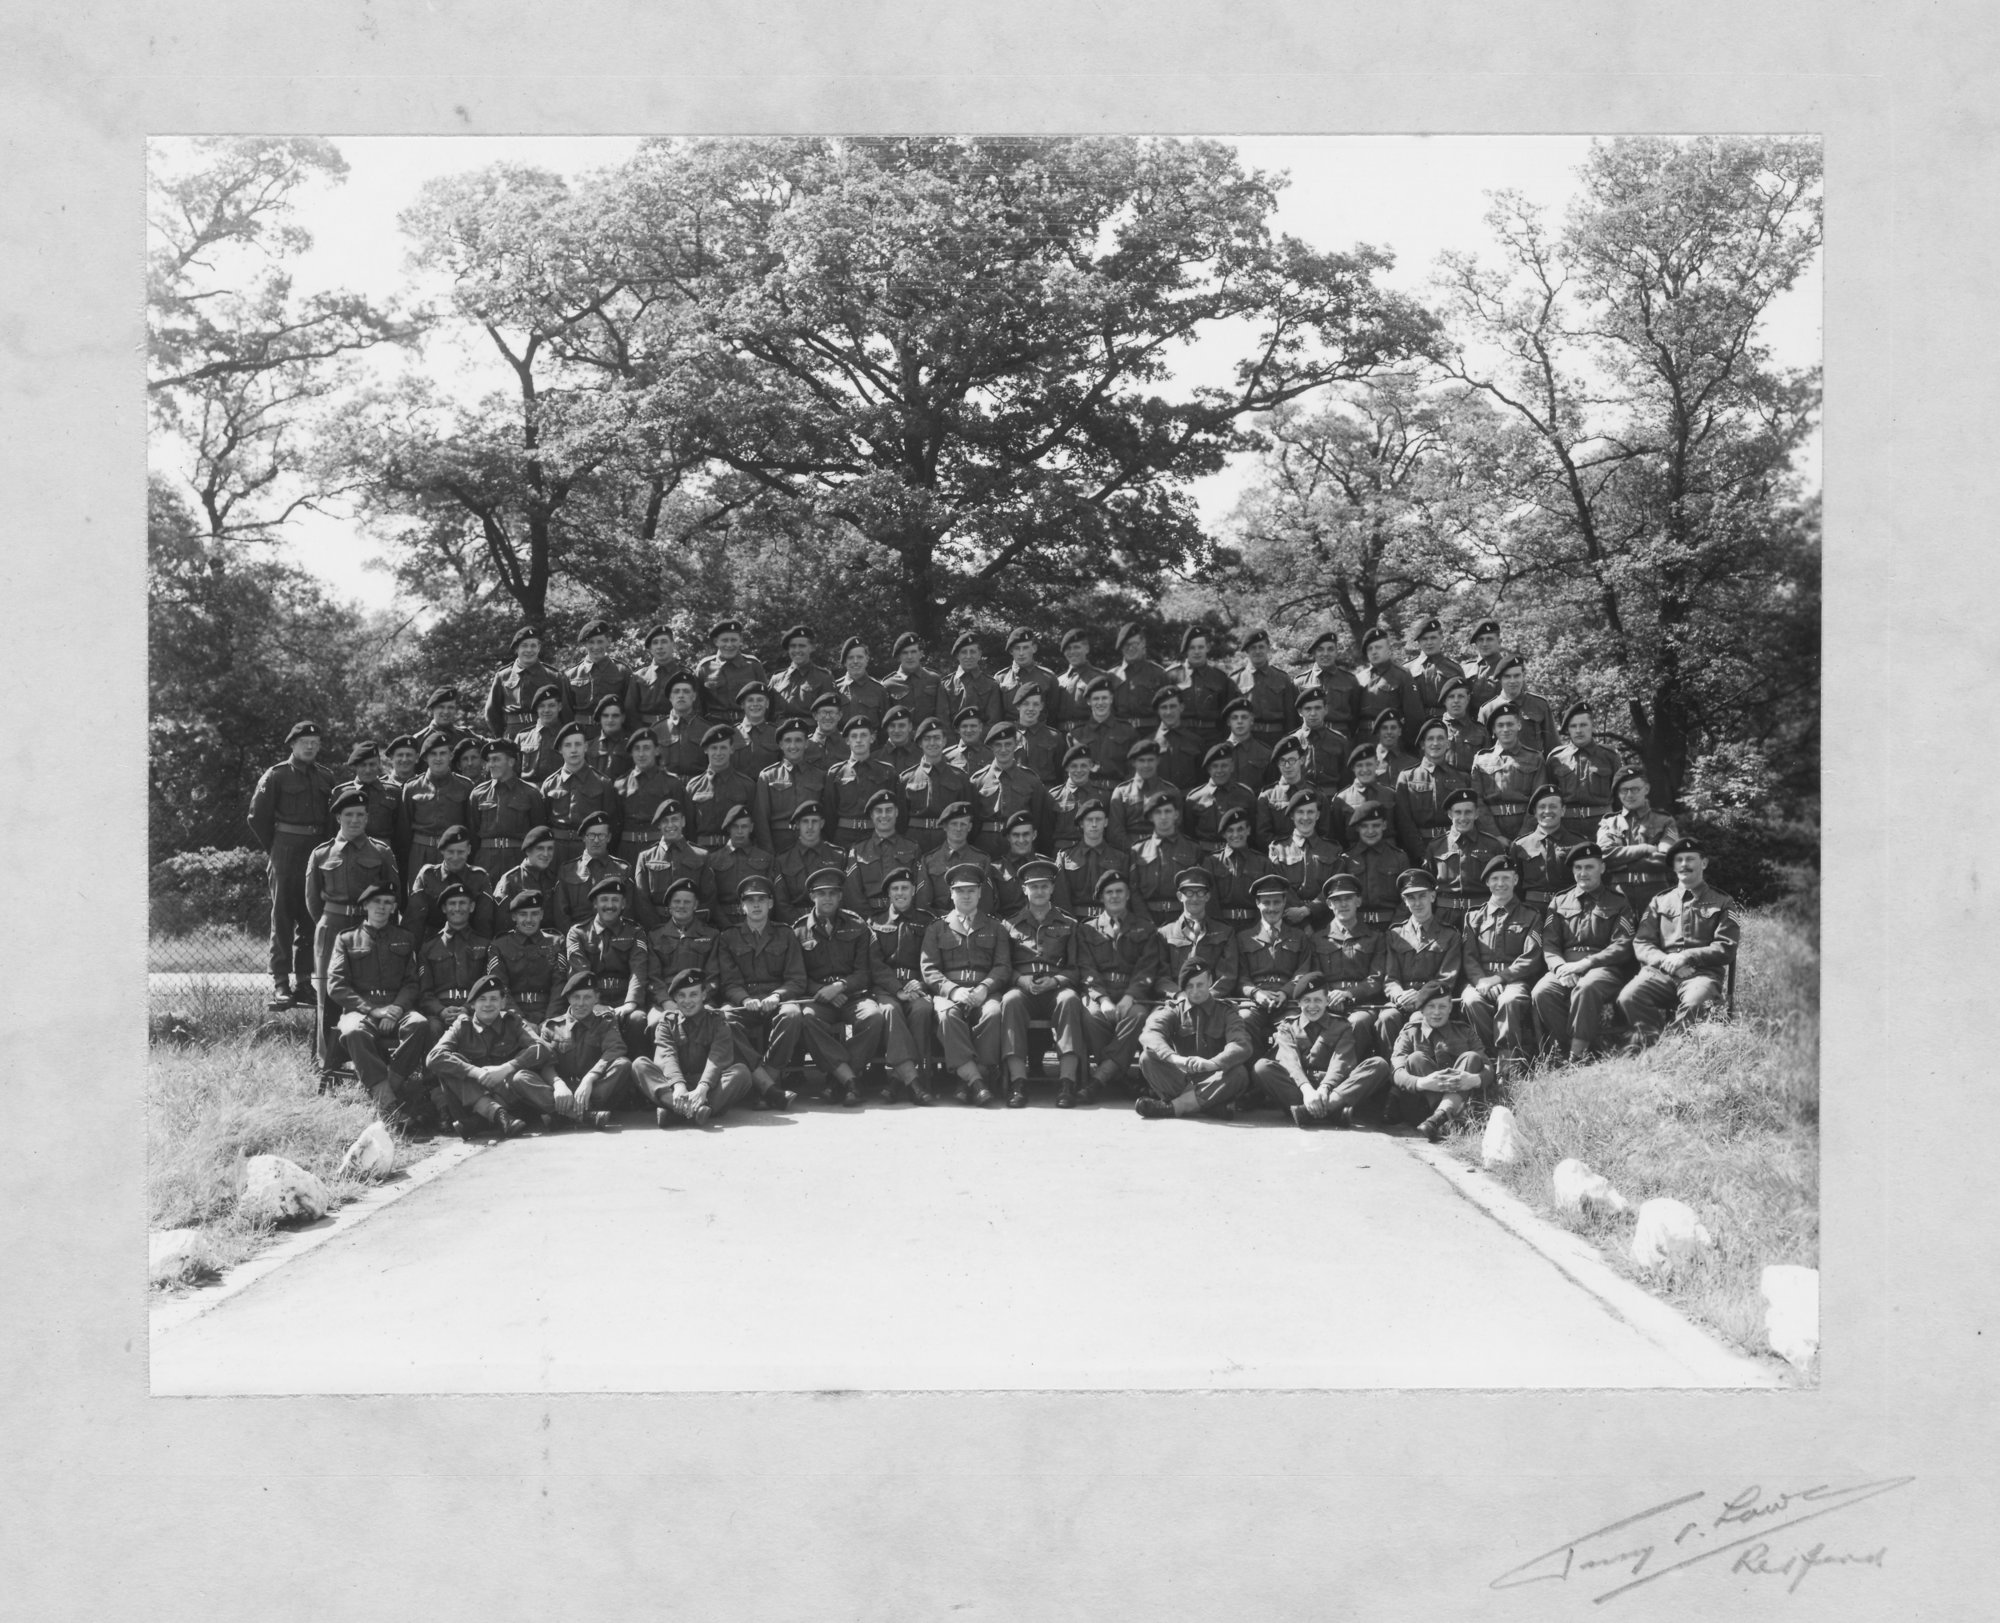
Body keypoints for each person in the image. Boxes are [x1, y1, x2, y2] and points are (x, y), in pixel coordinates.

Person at [305, 785, 402, 1061]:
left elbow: (393, 895)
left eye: (361, 814)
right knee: (327, 992)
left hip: (368, 927)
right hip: (332, 925)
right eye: (349, 815)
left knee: (368, 989)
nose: (355, 820)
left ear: (368, 818)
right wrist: (329, 922)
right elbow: (312, 901)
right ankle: (327, 1061)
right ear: (338, 818)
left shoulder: (381, 852)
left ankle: (368, 1058)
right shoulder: (321, 854)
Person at [793, 865, 903, 1107]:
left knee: (873, 1017)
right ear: (812, 896)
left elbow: (865, 972)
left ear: (841, 895)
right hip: (818, 998)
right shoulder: (799, 930)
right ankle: (851, 1079)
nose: (828, 898)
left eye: (833, 893)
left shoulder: (857, 925)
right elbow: (797, 977)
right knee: (807, 1019)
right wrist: (824, 992)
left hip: (852, 995)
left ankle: (838, 1078)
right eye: (822, 893)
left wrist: (841, 986)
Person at [326, 883, 433, 1129]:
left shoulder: (405, 938)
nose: (382, 907)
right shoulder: (346, 939)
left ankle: (385, 1092)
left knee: (420, 1024)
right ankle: (390, 1106)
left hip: (397, 1007)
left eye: (388, 902)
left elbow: (412, 982)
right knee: (353, 1031)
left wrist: (395, 1009)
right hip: (361, 1009)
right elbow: (336, 985)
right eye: (377, 902)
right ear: (365, 906)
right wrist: (372, 1010)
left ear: (394, 907)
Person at [247, 720, 336, 1008]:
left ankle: (304, 983)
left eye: (315, 743)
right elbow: (257, 818)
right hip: (285, 850)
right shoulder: (276, 776)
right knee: (283, 918)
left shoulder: (325, 777)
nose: (310, 747)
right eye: (304, 742)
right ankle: (281, 983)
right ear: (292, 745)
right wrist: (276, 848)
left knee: (312, 917)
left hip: (316, 852)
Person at [1616, 838, 1740, 1042]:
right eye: (1679, 860)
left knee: (1695, 1002)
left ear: (1704, 863)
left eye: (1690, 859)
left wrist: (1686, 957)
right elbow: (1642, 943)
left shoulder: (1723, 901)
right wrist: (1668, 962)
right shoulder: (1660, 900)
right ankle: (1651, 1044)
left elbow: (1726, 947)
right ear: (1673, 866)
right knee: (1629, 997)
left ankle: (1674, 1049)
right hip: (1661, 972)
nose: (1684, 864)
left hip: (1702, 974)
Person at [1532, 844, 1639, 1063]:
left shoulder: (1618, 902)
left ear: (1602, 868)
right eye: (1578, 867)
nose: (1583, 873)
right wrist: (1561, 968)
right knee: (1542, 991)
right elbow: (1550, 944)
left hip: (1603, 968)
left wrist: (1586, 964)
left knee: (1587, 987)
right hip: (1566, 966)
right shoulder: (1560, 902)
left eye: (1589, 867)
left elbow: (1623, 945)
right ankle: (1570, 1046)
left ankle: (1576, 1056)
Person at [920, 864, 1014, 1106]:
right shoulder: (937, 927)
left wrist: (984, 987)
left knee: (993, 1013)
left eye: (971, 890)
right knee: (947, 1015)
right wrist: (953, 990)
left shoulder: (996, 927)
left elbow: (1003, 966)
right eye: (960, 891)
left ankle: (968, 1079)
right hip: (950, 991)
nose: (966, 896)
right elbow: (929, 968)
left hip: (985, 991)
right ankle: (977, 1081)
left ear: (980, 893)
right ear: (951, 893)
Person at [1252, 970, 1394, 1130]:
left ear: (1327, 1001)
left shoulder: (1342, 1025)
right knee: (1261, 1067)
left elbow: (1341, 1062)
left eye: (1318, 1000)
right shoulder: (1287, 1027)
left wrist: (1325, 1089)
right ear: (1298, 1003)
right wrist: (1307, 1091)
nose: (1312, 1006)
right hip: (1299, 1088)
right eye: (1306, 1000)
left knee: (1379, 1065)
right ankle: (1332, 1111)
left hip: (1333, 1088)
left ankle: (1309, 1111)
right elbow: (1289, 1061)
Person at [426, 975, 559, 1138]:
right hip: (470, 1102)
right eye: (482, 999)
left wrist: (506, 1068)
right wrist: (476, 1072)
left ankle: (485, 1122)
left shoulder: (513, 1021)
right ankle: (497, 1115)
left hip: (510, 1097)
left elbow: (542, 1048)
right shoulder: (462, 1025)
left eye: (493, 999)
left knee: (520, 1076)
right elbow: (433, 1057)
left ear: (503, 1002)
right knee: (450, 1061)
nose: (488, 1004)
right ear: (473, 1004)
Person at [997, 857, 1085, 1106]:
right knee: (1010, 1000)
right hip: (1023, 988)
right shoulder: (1009, 925)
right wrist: (1021, 981)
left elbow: (1077, 968)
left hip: (1055, 988)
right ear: (1024, 889)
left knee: (1070, 1000)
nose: (1039, 891)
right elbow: (1004, 967)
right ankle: (1018, 1082)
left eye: (1044, 886)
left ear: (1052, 889)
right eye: (1033, 886)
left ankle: (1067, 1082)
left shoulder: (1069, 924)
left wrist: (1057, 981)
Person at [715, 874, 807, 1107]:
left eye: (761, 899)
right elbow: (728, 982)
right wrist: (744, 999)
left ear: (771, 903)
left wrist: (777, 996)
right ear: (741, 906)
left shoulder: (786, 933)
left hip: (776, 999)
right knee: (722, 1018)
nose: (756, 905)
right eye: (750, 900)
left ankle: (768, 1079)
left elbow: (796, 979)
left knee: (793, 1014)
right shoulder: (728, 936)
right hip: (744, 1001)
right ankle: (768, 1087)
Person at [1073, 871, 1161, 1099]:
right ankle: (1117, 1077)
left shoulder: (1146, 928)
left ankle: (1099, 1079)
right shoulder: (1087, 929)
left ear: (1128, 894)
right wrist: (1102, 1000)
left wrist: (1130, 996)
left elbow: (1147, 968)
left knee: (1138, 1016)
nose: (1114, 896)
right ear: (1101, 897)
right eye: (1109, 892)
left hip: (1133, 995)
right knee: (1091, 1016)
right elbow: (1086, 967)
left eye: (1119, 891)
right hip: (1100, 994)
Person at [634, 968, 757, 1127]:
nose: (687, 1001)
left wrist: (702, 1087)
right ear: (675, 998)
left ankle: (674, 1111)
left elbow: (717, 1058)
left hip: (708, 1086)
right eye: (681, 995)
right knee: (639, 1065)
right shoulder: (666, 1022)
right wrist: (678, 1085)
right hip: (673, 1085)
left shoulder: (717, 1021)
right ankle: (699, 1111)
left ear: (703, 996)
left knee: (742, 1073)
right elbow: (667, 1056)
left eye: (693, 994)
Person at [1459, 854, 1544, 1077]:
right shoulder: (1473, 917)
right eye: (1495, 878)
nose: (1500, 884)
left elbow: (1531, 957)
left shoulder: (1531, 915)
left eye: (1506, 878)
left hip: (1514, 980)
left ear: (1515, 880)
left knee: (1509, 999)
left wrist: (1498, 979)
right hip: (1481, 978)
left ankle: (1508, 1064)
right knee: (1470, 1000)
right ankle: (1487, 1057)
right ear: (1487, 882)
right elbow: (1469, 957)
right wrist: (1480, 981)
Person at [1133, 962, 1251, 1120]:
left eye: (1200, 985)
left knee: (1239, 1073)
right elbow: (1150, 1034)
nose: (1195, 992)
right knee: (1147, 1058)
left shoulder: (1226, 1012)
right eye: (1189, 986)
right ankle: (1207, 1106)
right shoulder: (1175, 1009)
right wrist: (1175, 1059)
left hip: (1214, 1078)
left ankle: (1173, 1107)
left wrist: (1213, 1063)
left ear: (1210, 981)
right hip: (1181, 1077)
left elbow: (1241, 1044)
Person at [866, 866, 941, 1105]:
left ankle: (898, 1079)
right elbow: (875, 964)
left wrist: (918, 983)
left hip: (917, 986)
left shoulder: (927, 921)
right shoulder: (875, 922)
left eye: (905, 888)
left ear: (913, 891)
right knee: (890, 1010)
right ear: (888, 893)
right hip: (886, 989)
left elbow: (931, 958)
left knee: (922, 1010)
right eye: (895, 889)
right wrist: (896, 989)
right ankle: (913, 1081)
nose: (900, 893)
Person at [1389, 982, 1495, 1141]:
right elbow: (1396, 1072)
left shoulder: (1465, 1031)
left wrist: (1475, 1080)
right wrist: (1422, 1082)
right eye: (1431, 1006)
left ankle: (1439, 1120)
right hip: (1420, 1108)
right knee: (1416, 1058)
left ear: (1451, 1008)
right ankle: (1444, 1120)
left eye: (1442, 1006)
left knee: (1471, 1057)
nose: (1437, 1012)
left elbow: (1488, 1067)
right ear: (1421, 1009)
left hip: (1457, 1106)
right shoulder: (1410, 1033)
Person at [1376, 867, 1464, 1053]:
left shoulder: (1450, 935)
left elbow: (1446, 978)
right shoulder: (1395, 934)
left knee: (1418, 1019)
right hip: (1402, 999)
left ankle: (1420, 1070)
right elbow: (1390, 977)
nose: (1417, 903)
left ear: (1432, 897)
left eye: (1422, 896)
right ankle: (1393, 1071)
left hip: (1433, 999)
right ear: (1405, 901)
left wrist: (1421, 996)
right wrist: (1399, 995)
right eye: (1411, 898)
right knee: (1386, 1017)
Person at [563, 878, 653, 1054]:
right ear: (595, 904)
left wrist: (630, 1003)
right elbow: (580, 972)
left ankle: (637, 1071)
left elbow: (639, 968)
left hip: (624, 998)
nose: (609, 905)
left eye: (615, 900)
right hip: (593, 999)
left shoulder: (635, 931)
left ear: (624, 903)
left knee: (637, 1020)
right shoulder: (578, 933)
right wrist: (595, 1003)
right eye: (604, 900)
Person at [1232, 873, 1317, 1052]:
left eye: (1276, 902)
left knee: (1298, 1030)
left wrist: (1285, 992)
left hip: (1289, 1002)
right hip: (1255, 1002)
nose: (1272, 908)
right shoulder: (1243, 937)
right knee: (1243, 1020)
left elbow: (1303, 971)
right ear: (1257, 903)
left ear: (1285, 902)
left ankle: (1283, 1075)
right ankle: (1253, 1073)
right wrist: (1256, 993)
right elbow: (1239, 975)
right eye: (1266, 903)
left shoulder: (1299, 937)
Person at [534, 970, 633, 1125]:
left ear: (596, 998)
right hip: (561, 1090)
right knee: (521, 1077)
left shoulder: (605, 1022)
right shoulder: (551, 1026)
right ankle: (584, 1115)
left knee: (623, 1064)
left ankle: (562, 1115)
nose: (581, 1003)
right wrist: (558, 1084)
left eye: (587, 997)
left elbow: (615, 1048)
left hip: (593, 1089)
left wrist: (590, 1078)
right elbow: (543, 1063)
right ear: (568, 998)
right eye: (576, 997)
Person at [1393, 717, 1495, 861]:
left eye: (1440, 738)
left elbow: (1471, 817)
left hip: (1455, 848)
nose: (1435, 743)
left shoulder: (1462, 778)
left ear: (1447, 744)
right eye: (1430, 739)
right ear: (1422, 744)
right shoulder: (1407, 778)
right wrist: (1421, 854)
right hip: (1420, 847)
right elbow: (1405, 822)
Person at [1311, 872, 1389, 1058]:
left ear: (1358, 902)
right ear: (1329, 904)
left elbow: (1376, 979)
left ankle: (1354, 1073)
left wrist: (1348, 995)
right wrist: (1328, 996)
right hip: (1326, 1004)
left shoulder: (1376, 937)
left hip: (1362, 1005)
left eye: (1348, 898)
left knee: (1357, 1022)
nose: (1343, 904)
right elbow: (1314, 976)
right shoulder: (1317, 939)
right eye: (1337, 900)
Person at [414, 881, 492, 1053]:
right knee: (432, 1027)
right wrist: (440, 1011)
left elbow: (488, 985)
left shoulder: (485, 944)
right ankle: (433, 1078)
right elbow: (424, 992)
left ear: (471, 907)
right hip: (440, 1010)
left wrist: (467, 1008)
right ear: (444, 908)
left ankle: (476, 1076)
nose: (457, 908)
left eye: (462, 903)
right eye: (452, 904)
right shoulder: (429, 947)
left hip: (474, 1009)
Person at [1596, 766, 1681, 916]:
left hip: (1656, 892)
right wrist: (1645, 849)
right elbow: (1603, 855)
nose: (1629, 795)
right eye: (1624, 790)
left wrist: (1619, 863)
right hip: (1618, 893)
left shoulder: (1665, 821)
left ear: (1646, 789)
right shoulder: (1609, 823)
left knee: (1656, 938)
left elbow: (1667, 858)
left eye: (1635, 789)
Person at [1426, 789, 1510, 933]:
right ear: (1450, 814)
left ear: (1476, 814)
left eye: (1468, 812)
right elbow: (1428, 884)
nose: (1463, 817)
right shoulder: (1436, 846)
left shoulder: (1492, 845)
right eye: (1458, 812)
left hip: (1481, 914)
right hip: (1445, 915)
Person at [469, 736, 549, 877]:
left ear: (511, 761)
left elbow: (538, 834)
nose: (491, 764)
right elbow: (472, 835)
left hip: (518, 860)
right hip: (485, 861)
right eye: (489, 760)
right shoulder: (478, 793)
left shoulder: (530, 793)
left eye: (496, 759)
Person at [539, 722, 618, 865]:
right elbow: (542, 825)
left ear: (586, 747)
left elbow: (611, 824)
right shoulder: (549, 784)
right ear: (560, 750)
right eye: (568, 745)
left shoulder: (602, 783)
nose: (573, 750)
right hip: (557, 850)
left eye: (578, 744)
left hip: (589, 848)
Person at [969, 721, 1051, 857]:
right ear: (991, 748)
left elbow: (1039, 820)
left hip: (1020, 844)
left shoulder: (1031, 780)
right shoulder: (978, 780)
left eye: (1008, 744)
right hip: (986, 845)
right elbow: (973, 822)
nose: (1003, 749)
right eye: (998, 745)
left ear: (1016, 745)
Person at [1154, 866, 1239, 997]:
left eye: (1200, 893)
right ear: (1179, 896)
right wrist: (1179, 995)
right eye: (1189, 893)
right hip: (1176, 1002)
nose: (1194, 898)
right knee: (1156, 1019)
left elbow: (1228, 975)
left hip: (1213, 1002)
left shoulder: (1225, 932)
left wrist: (1209, 995)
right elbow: (1161, 977)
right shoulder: (1165, 933)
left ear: (1207, 896)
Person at [486, 889, 567, 1026]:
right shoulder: (499, 945)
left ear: (541, 914)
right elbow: (499, 986)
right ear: (514, 917)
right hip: (512, 1015)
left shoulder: (556, 942)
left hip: (549, 1013)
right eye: (523, 914)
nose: (529, 920)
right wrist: (519, 1020)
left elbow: (560, 984)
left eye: (534, 914)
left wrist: (550, 1020)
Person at [643, 876, 721, 1017]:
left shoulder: (712, 935)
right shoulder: (655, 936)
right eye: (677, 901)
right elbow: (653, 977)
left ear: (695, 905)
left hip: (701, 1000)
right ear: (669, 906)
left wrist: (699, 1001)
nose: (681, 906)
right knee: (656, 1022)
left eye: (687, 902)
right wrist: (666, 1002)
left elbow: (713, 976)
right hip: (666, 1001)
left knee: (711, 1019)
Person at [1544, 701, 1622, 841]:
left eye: (1583, 725)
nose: (1578, 730)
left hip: (1603, 824)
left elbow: (1619, 797)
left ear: (1592, 726)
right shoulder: (1556, 758)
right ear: (1568, 729)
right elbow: (1549, 797)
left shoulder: (1609, 756)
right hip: (1567, 825)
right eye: (1573, 726)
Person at [822, 713, 902, 847]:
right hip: (844, 836)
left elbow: (897, 809)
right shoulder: (836, 772)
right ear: (847, 741)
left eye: (863, 735)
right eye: (854, 736)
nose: (859, 740)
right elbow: (829, 813)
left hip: (875, 833)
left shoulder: (887, 772)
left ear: (872, 738)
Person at [403, 824, 496, 940]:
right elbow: (414, 919)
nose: (455, 857)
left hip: (469, 945)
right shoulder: (428, 875)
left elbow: (484, 922)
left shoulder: (479, 877)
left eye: (460, 852)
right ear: (442, 851)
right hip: (433, 946)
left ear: (469, 850)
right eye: (450, 852)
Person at [1470, 704, 1548, 840]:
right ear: (1494, 729)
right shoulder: (1481, 759)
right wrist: (1495, 836)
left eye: (1510, 724)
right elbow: (1477, 801)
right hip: (1491, 829)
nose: (1505, 729)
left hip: (1526, 828)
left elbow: (1539, 799)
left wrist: (1525, 835)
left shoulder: (1535, 758)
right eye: (1500, 725)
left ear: (1519, 725)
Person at [609, 729, 684, 870]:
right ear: (631, 753)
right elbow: (615, 827)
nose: (641, 754)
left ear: (656, 750)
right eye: (636, 749)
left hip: (660, 849)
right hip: (627, 851)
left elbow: (683, 825)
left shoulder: (672, 783)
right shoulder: (620, 785)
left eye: (646, 748)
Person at [633, 799, 716, 925]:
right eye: (665, 821)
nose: (670, 825)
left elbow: (708, 898)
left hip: (692, 927)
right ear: (659, 825)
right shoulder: (646, 857)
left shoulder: (701, 856)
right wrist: (656, 930)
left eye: (674, 819)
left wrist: (693, 927)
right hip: (656, 927)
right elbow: (641, 900)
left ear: (683, 821)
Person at [752, 716, 827, 855]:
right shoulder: (768, 776)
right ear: (780, 745)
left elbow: (827, 815)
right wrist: (768, 853)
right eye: (788, 741)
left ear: (806, 743)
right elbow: (761, 819)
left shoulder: (820, 776)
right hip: (780, 843)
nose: (793, 746)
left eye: (798, 740)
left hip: (812, 842)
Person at [1129, 795, 1207, 928]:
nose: (1163, 817)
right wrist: (1145, 920)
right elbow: (1133, 889)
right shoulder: (1138, 850)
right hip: (1147, 917)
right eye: (1158, 812)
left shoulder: (1192, 848)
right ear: (1150, 817)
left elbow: (1199, 888)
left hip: (1182, 916)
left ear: (1176, 814)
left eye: (1168, 811)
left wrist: (1186, 918)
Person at [1267, 790, 1346, 921]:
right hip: (1289, 920)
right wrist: (1301, 917)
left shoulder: (1333, 850)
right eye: (1300, 812)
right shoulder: (1278, 849)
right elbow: (1277, 886)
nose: (1305, 817)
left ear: (1318, 815)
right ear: (1292, 815)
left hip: (1324, 922)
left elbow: (1335, 886)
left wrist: (1308, 911)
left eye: (1310, 812)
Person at [899, 718, 975, 854]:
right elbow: (901, 819)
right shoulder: (907, 778)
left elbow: (969, 815)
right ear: (920, 743)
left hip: (948, 838)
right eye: (927, 739)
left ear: (944, 741)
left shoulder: (959, 777)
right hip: (914, 839)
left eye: (937, 738)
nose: (932, 743)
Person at [843, 790, 922, 918]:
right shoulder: (858, 850)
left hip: (904, 917)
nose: (884, 815)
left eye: (889, 810)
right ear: (872, 815)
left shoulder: (912, 848)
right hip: (868, 919)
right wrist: (869, 921)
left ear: (896, 812)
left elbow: (918, 888)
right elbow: (853, 893)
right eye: (879, 811)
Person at [484, 625, 570, 739]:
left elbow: (566, 713)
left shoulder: (553, 676)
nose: (529, 650)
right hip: (513, 735)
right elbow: (491, 713)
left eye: (533, 645)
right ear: (517, 649)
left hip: (545, 734)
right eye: (524, 645)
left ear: (539, 648)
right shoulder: (503, 676)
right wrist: (502, 737)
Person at [683, 726, 760, 853]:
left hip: (736, 853)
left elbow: (754, 828)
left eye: (723, 747)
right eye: (714, 748)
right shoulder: (693, 787)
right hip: (703, 854)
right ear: (706, 750)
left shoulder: (747, 785)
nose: (718, 753)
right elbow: (689, 830)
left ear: (731, 749)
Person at [492, 825, 574, 939]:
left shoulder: (555, 879)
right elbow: (502, 926)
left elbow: (562, 919)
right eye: (540, 848)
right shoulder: (510, 880)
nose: (546, 854)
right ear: (528, 850)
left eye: (550, 848)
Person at [914, 801, 995, 916]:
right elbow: (923, 904)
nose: (958, 828)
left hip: (973, 924)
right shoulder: (929, 860)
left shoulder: (982, 859)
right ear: (945, 826)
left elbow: (986, 903)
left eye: (963, 824)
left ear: (970, 827)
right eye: (954, 824)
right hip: (939, 924)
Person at [1335, 802, 1407, 928]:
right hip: (1356, 926)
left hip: (1390, 927)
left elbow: (1407, 897)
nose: (1370, 831)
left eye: (1376, 825)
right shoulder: (1346, 859)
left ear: (1384, 825)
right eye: (1364, 826)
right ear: (1357, 828)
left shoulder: (1399, 857)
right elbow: (1339, 897)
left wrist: (1396, 927)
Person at [1510, 784, 1578, 917]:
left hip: (1568, 909)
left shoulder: (1578, 843)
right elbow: (1515, 887)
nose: (1547, 811)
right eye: (1542, 807)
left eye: (1553, 806)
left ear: (1563, 810)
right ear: (1534, 812)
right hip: (1532, 911)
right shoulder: (1520, 845)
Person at [704, 804, 777, 928]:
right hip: (724, 924)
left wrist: (759, 922)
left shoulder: (766, 858)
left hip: (759, 922)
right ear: (728, 829)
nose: (739, 832)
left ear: (751, 828)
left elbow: (772, 896)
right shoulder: (713, 859)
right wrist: (726, 926)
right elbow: (711, 899)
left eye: (744, 826)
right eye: (735, 827)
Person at [1053, 797, 1129, 913]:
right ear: (1081, 824)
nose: (1094, 824)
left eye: (1098, 819)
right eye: (1089, 820)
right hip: (1076, 921)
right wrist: (1070, 925)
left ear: (1106, 822)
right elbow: (1061, 897)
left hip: (1109, 921)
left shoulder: (1120, 857)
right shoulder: (1065, 857)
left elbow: (1125, 896)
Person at [1202, 806, 1272, 928]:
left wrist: (1257, 929)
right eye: (1230, 830)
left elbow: (1267, 899)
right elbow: (1210, 902)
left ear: (1248, 830)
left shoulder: (1263, 862)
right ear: (1223, 834)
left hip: (1254, 927)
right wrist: (1219, 929)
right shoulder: (1212, 862)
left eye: (1240, 829)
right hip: (1221, 926)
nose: (1236, 834)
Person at [1182, 743, 1257, 855]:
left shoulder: (1245, 795)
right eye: (1215, 766)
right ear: (1208, 769)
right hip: (1205, 855)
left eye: (1224, 765)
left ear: (1232, 767)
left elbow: (1253, 831)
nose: (1220, 770)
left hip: (1238, 853)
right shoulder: (1194, 798)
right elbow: (1189, 835)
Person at [1354, 624, 1427, 739]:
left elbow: (1414, 717)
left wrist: (1407, 747)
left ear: (1388, 649)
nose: (1374, 652)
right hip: (1363, 739)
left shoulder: (1402, 676)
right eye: (1370, 648)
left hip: (1391, 740)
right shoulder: (1359, 678)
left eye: (1378, 647)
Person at [1254, 739, 1329, 849]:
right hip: (1279, 857)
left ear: (1302, 760)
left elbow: (1325, 834)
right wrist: (1289, 851)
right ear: (1277, 764)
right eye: (1282, 761)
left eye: (1292, 760)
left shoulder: (1317, 795)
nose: (1287, 765)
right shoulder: (1267, 797)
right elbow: (1263, 836)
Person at [1109, 738, 1182, 851]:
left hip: (1165, 850)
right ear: (1133, 763)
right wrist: (1136, 852)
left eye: (1150, 760)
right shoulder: (1121, 792)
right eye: (1141, 760)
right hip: (1130, 852)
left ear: (1158, 760)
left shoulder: (1171, 791)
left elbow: (1178, 827)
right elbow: (1116, 833)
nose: (1146, 765)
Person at [1066, 675, 1137, 789]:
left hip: (1118, 791)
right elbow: (1070, 770)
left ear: (1111, 699)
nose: (1100, 702)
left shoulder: (1127, 731)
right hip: (1087, 792)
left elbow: (1133, 768)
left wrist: (1124, 792)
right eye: (1096, 699)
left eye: (1104, 698)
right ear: (1089, 701)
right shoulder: (1076, 734)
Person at [1478, 656, 1559, 756]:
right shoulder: (1487, 710)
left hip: (1535, 768)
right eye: (1507, 676)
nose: (1512, 681)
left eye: (1517, 676)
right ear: (1500, 679)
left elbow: (1553, 746)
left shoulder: (1539, 705)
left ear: (1523, 676)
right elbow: (1483, 753)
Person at [693, 618, 767, 727]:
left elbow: (766, 699)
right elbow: (697, 704)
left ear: (740, 640)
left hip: (748, 725)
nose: (729, 644)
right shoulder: (705, 667)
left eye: (733, 640)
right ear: (716, 642)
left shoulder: (753, 665)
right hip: (714, 726)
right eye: (724, 640)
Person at [773, 801, 841, 917]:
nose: (810, 827)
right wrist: (799, 925)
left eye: (814, 821)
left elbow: (844, 895)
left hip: (831, 920)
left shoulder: (838, 855)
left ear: (822, 823)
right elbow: (781, 903)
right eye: (805, 821)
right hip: (795, 924)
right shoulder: (783, 860)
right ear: (798, 824)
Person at [1231, 627, 1297, 746]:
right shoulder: (1235, 680)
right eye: (1253, 648)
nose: (1257, 651)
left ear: (1268, 649)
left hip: (1277, 738)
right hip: (1247, 738)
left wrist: (1289, 741)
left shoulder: (1282, 678)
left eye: (1261, 647)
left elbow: (1291, 716)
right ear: (1247, 651)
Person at [1166, 625, 1233, 740]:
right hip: (1181, 737)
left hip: (1212, 738)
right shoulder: (1171, 676)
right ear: (1186, 649)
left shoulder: (1220, 677)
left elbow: (1228, 712)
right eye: (1192, 648)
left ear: (1207, 648)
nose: (1197, 652)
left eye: (1200, 647)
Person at [630, 625, 696, 736]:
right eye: (655, 643)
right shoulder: (639, 676)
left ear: (673, 645)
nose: (660, 647)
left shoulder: (687, 675)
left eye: (664, 642)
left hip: (678, 732)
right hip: (646, 731)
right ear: (650, 648)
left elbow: (696, 709)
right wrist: (639, 734)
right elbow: (630, 710)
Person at [1048, 747, 1115, 853]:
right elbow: (1046, 833)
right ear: (1066, 768)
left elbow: (1110, 832)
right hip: (1063, 853)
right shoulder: (1054, 796)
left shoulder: (1104, 796)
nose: (1079, 770)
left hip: (1095, 852)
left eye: (1083, 765)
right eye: (1074, 766)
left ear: (1091, 766)